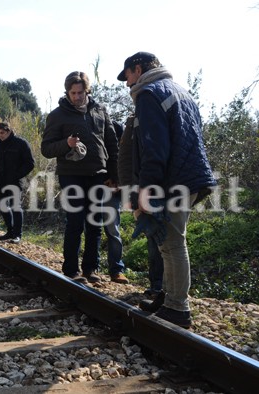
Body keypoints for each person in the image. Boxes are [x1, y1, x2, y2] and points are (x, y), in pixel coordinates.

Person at [117, 52, 216, 328]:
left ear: (138, 69)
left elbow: (154, 148)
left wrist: (146, 190)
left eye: (127, 76)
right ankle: (169, 296)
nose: (127, 84)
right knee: (168, 243)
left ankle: (178, 307)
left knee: (172, 243)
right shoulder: (181, 91)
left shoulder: (149, 94)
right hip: (190, 176)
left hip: (172, 180)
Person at [41, 71, 119, 284]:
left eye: (80, 92)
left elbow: (112, 144)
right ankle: (71, 270)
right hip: (71, 174)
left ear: (87, 91)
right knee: (75, 222)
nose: (76, 96)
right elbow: (46, 149)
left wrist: (114, 175)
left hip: (98, 174)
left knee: (95, 222)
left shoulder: (100, 110)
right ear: (67, 92)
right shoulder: (57, 115)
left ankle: (91, 269)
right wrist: (66, 144)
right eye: (72, 93)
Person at [117, 114, 163, 297]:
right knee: (154, 239)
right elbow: (125, 159)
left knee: (169, 241)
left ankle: (167, 289)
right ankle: (157, 286)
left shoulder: (165, 117)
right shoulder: (134, 121)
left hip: (167, 188)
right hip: (145, 189)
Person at [0, 122, 35, 244]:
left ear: (9, 131)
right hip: (0, 181)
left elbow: (30, 163)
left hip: (16, 181)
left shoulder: (21, 143)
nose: (0, 135)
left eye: (2, 133)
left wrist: (16, 175)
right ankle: (10, 231)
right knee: (2, 206)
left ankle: (17, 235)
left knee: (16, 206)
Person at [102, 120, 129, 284]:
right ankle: (91, 268)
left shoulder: (120, 133)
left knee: (113, 230)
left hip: (114, 190)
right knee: (92, 229)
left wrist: (118, 183)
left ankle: (116, 270)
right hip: (94, 185)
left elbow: (125, 161)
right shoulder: (95, 136)